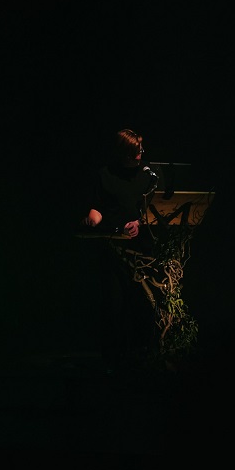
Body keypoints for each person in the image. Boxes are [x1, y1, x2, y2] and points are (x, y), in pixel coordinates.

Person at [78, 128, 158, 374]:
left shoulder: (149, 175)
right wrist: (93, 217)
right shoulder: (106, 175)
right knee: (114, 303)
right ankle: (113, 361)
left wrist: (140, 223)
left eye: (141, 150)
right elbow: (98, 208)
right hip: (113, 249)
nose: (140, 155)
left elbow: (159, 208)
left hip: (142, 250)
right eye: (135, 152)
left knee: (142, 303)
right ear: (123, 154)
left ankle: (144, 354)